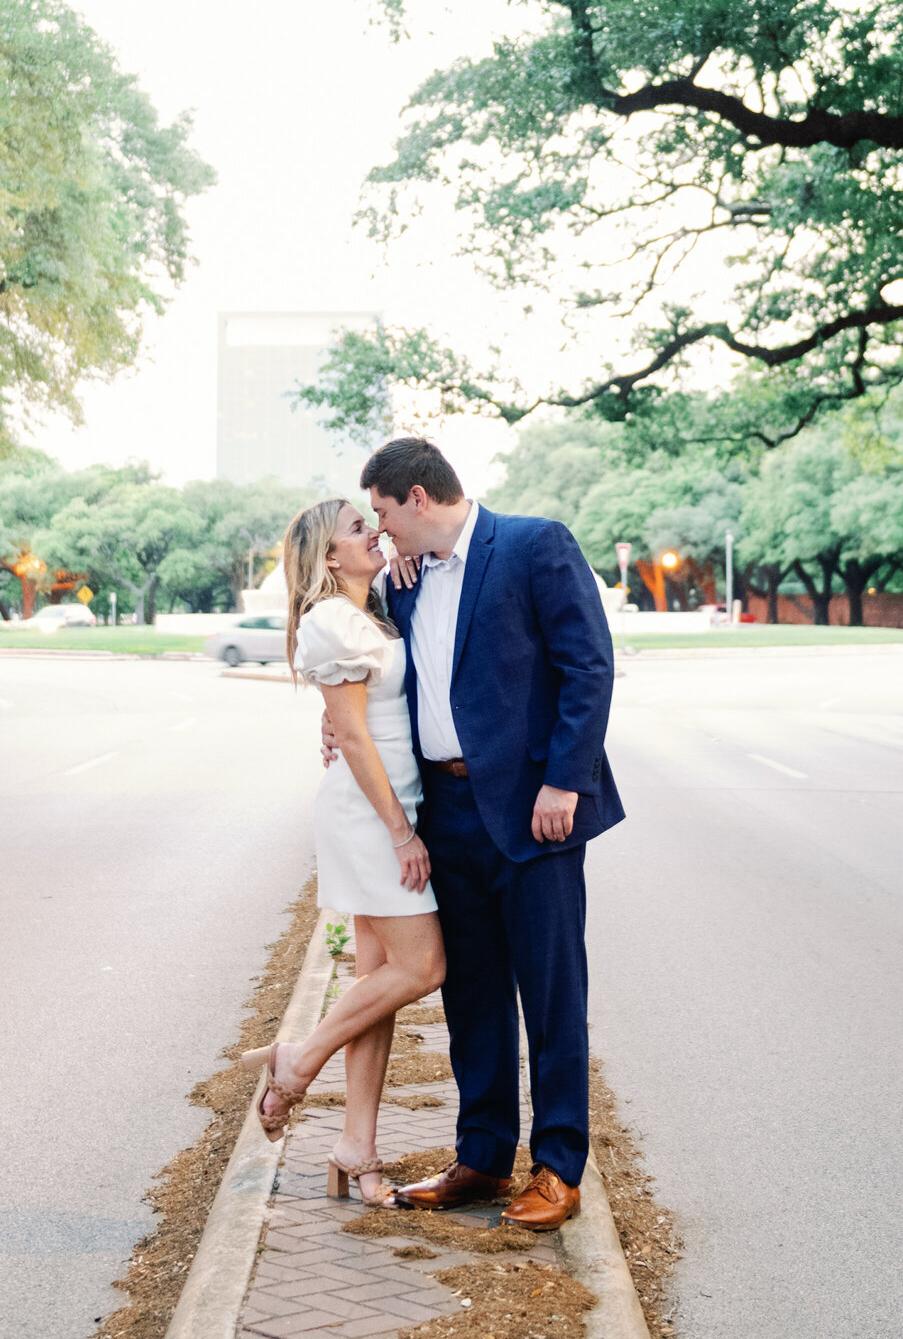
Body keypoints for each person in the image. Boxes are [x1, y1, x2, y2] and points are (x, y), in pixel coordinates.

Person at [325, 436, 623, 1232]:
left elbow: (589, 666)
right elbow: (376, 679)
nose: (381, 533)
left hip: (535, 811)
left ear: (418, 498)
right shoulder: (406, 584)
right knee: (473, 995)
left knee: (552, 994)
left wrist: (566, 778)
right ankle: (483, 1156)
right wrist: (336, 728)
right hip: (447, 815)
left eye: (384, 514)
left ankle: (558, 1169)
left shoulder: (534, 544)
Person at [240, 497, 444, 1204]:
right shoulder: (333, 622)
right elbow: (352, 736)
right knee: (423, 966)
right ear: (329, 558)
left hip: (389, 801)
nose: (376, 531)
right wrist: (400, 831)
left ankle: (357, 1146)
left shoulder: (371, 608)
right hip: (370, 814)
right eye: (359, 528)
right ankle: (297, 1063)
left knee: (376, 983)